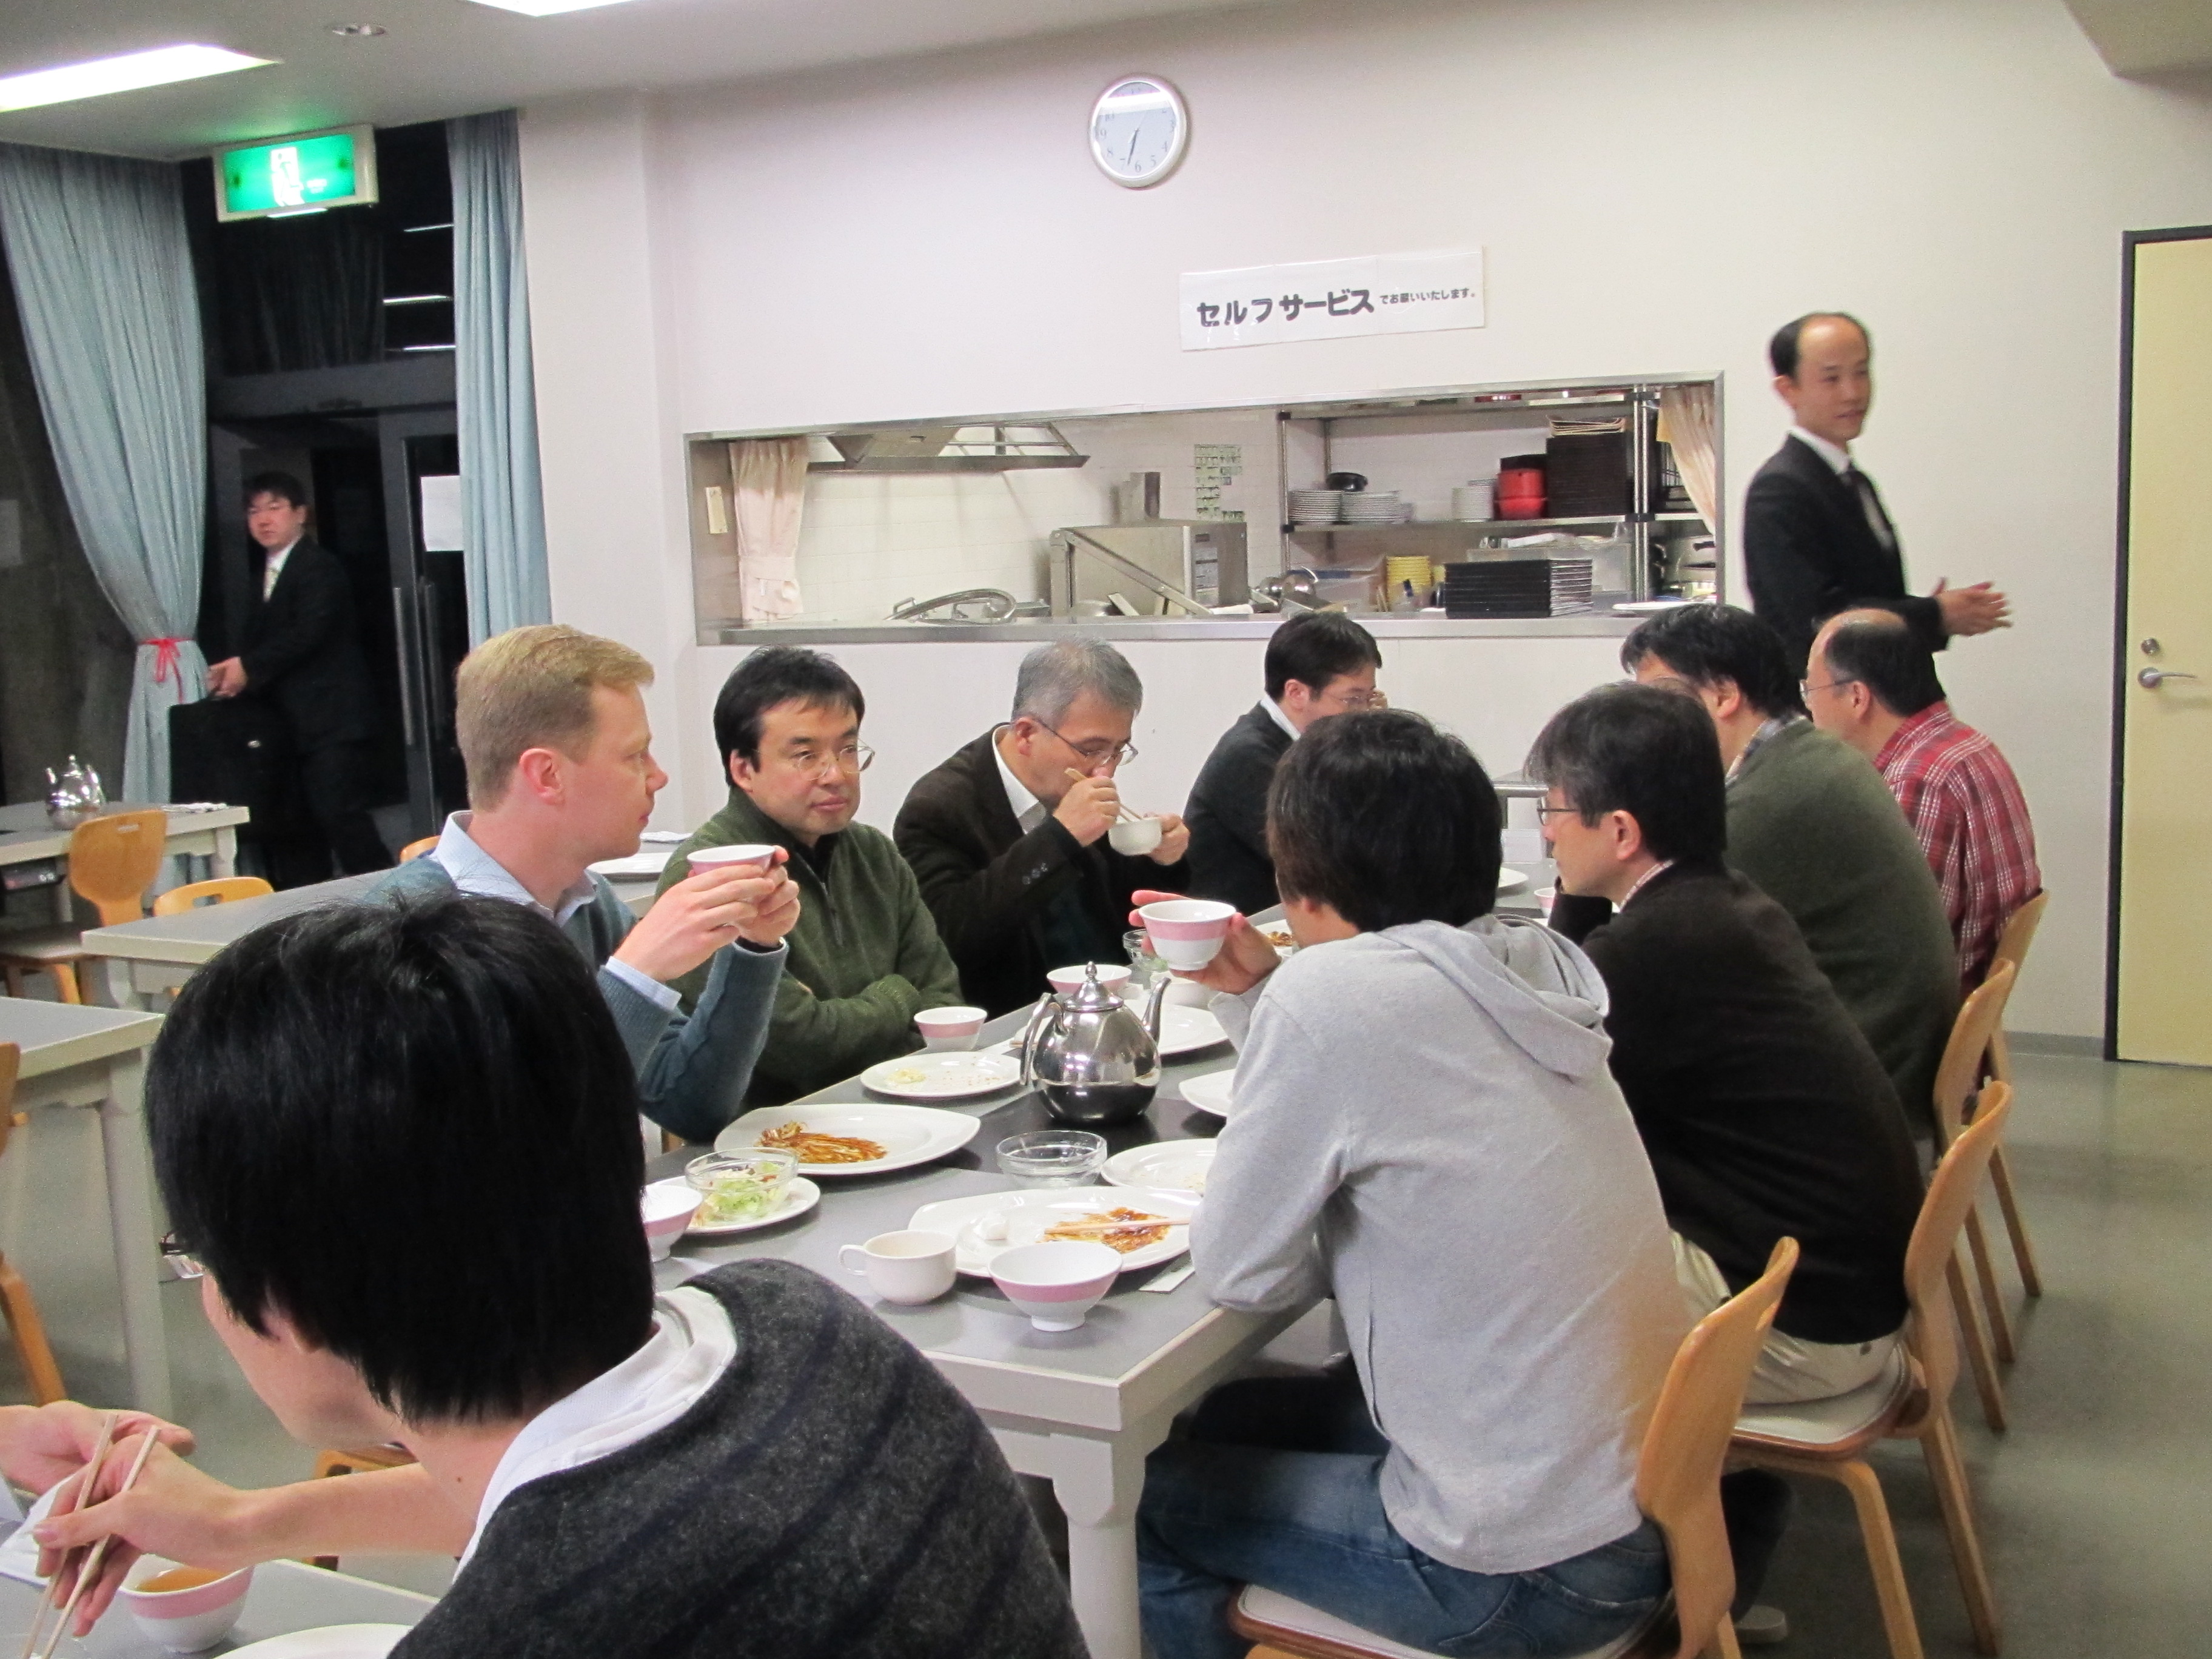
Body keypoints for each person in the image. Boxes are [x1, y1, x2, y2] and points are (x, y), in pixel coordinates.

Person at [31, 896, 1087, 1658]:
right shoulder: (793, 1320)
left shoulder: (516, 1635)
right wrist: (242, 1524)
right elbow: (557, 1497)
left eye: (197, 1257)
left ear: (292, 1305)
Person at [1133, 711, 1684, 1659]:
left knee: (1143, 1503)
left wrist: (1284, 1001)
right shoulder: (1527, 959)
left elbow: (1243, 1274)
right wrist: (1261, 994)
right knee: (1228, 1414)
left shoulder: (1335, 996)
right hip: (1631, 1497)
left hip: (1520, 1571)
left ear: (1298, 879)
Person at [1527, 683, 1924, 1648]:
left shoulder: (1658, 948)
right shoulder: (1723, 904)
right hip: (1839, 1285)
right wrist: (1580, 901)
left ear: (1622, 831)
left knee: (1522, 1309)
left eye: (1554, 812)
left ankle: (1646, 1583)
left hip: (1802, 1327)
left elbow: (1532, 1093)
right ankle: (1719, 1550)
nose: (1544, 834)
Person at [374, 625, 795, 1144]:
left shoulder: (587, 905)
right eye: (635, 756)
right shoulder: (403, 936)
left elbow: (690, 1105)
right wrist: (636, 975)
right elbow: (523, 1143)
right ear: (547, 775)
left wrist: (753, 948)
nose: (658, 777)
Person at [1621, 604, 1959, 1133]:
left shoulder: (1768, 802)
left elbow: (1654, 949)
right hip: (1890, 1052)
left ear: (1724, 695)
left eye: (1661, 699)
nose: (1649, 723)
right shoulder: (1813, 754)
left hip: (1860, 1092)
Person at [658, 648, 962, 1103]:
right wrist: (899, 995)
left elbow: (943, 1000)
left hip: (904, 1105)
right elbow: (796, 1044)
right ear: (744, 769)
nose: (835, 774)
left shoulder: (874, 853)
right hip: (776, 1132)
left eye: (848, 750)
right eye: (805, 755)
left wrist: (852, 1018)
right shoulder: (709, 875)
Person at [895, 640, 1190, 1016]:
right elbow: (948, 940)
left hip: (1113, 1000)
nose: (1105, 769)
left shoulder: (1076, 783)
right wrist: (1060, 838)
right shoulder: (939, 808)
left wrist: (1163, 860)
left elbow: (1124, 910)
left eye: (1118, 750)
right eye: (1092, 749)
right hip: (1017, 1020)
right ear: (1026, 734)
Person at [1743, 313, 2009, 674]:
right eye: (1832, 378)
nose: (1852, 393)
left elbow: (1863, 594)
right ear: (1788, 389)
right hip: (1833, 696)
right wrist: (1933, 615)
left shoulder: (1852, 479)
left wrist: (1929, 614)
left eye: (1861, 372)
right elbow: (1816, 622)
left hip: (1881, 687)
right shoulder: (1780, 489)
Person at [1806, 611, 2041, 987]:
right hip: (1956, 987)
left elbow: (1896, 940)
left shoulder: (1918, 780)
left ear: (1856, 697)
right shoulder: (1966, 744)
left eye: (1810, 690)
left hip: (1920, 1004)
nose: (1808, 707)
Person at [204, 472, 392, 885]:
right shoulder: (262, 574)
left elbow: (307, 633)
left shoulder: (319, 567)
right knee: (297, 828)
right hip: (288, 726)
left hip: (332, 722)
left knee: (341, 815)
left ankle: (393, 900)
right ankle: (310, 909)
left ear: (300, 514)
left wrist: (248, 667)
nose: (263, 519)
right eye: (254, 511)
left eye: (274, 508)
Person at [1184, 612, 1384, 913]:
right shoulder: (1249, 756)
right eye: (1353, 700)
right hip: (1236, 927)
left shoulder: (1312, 745)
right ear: (1296, 693)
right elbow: (1326, 859)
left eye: (1370, 698)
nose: (1364, 713)